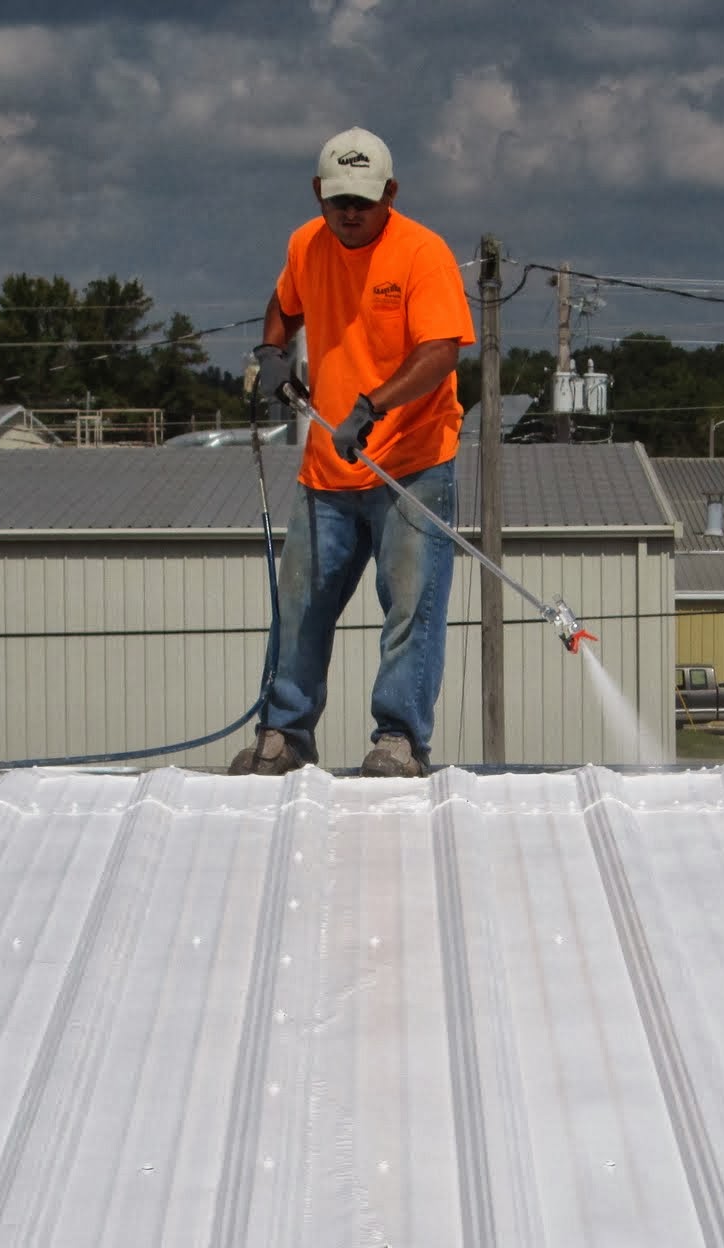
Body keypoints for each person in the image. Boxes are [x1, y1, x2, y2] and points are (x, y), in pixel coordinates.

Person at [229, 126, 476, 778]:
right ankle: (283, 734)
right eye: (338, 199)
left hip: (412, 464)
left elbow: (441, 351)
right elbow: (282, 309)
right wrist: (272, 355)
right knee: (301, 605)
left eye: (364, 200)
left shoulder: (423, 254)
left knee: (410, 606)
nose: (350, 212)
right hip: (328, 471)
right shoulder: (306, 247)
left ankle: (398, 741)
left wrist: (373, 406)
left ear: (390, 193)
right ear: (318, 193)